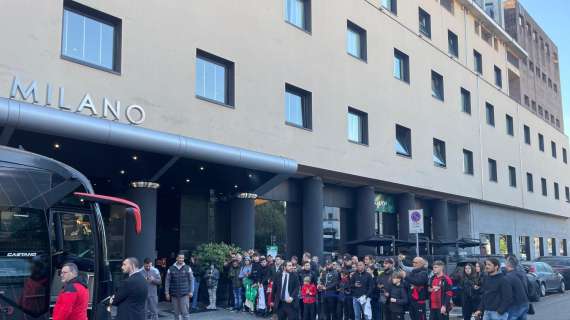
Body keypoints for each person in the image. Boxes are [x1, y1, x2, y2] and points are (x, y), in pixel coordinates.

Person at [165, 253, 194, 320]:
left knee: (185, 314)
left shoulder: (188, 268)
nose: (181, 259)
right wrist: (166, 293)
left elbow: (191, 280)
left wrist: (191, 291)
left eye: (182, 258)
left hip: (184, 295)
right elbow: (167, 281)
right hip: (174, 295)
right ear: (176, 258)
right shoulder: (170, 269)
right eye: (180, 258)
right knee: (176, 314)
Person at [399, 256, 429, 320]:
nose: (413, 264)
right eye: (413, 262)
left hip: (419, 301)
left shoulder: (424, 273)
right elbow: (407, 284)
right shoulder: (412, 272)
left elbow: (418, 282)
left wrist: (406, 277)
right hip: (411, 301)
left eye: (415, 262)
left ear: (421, 263)